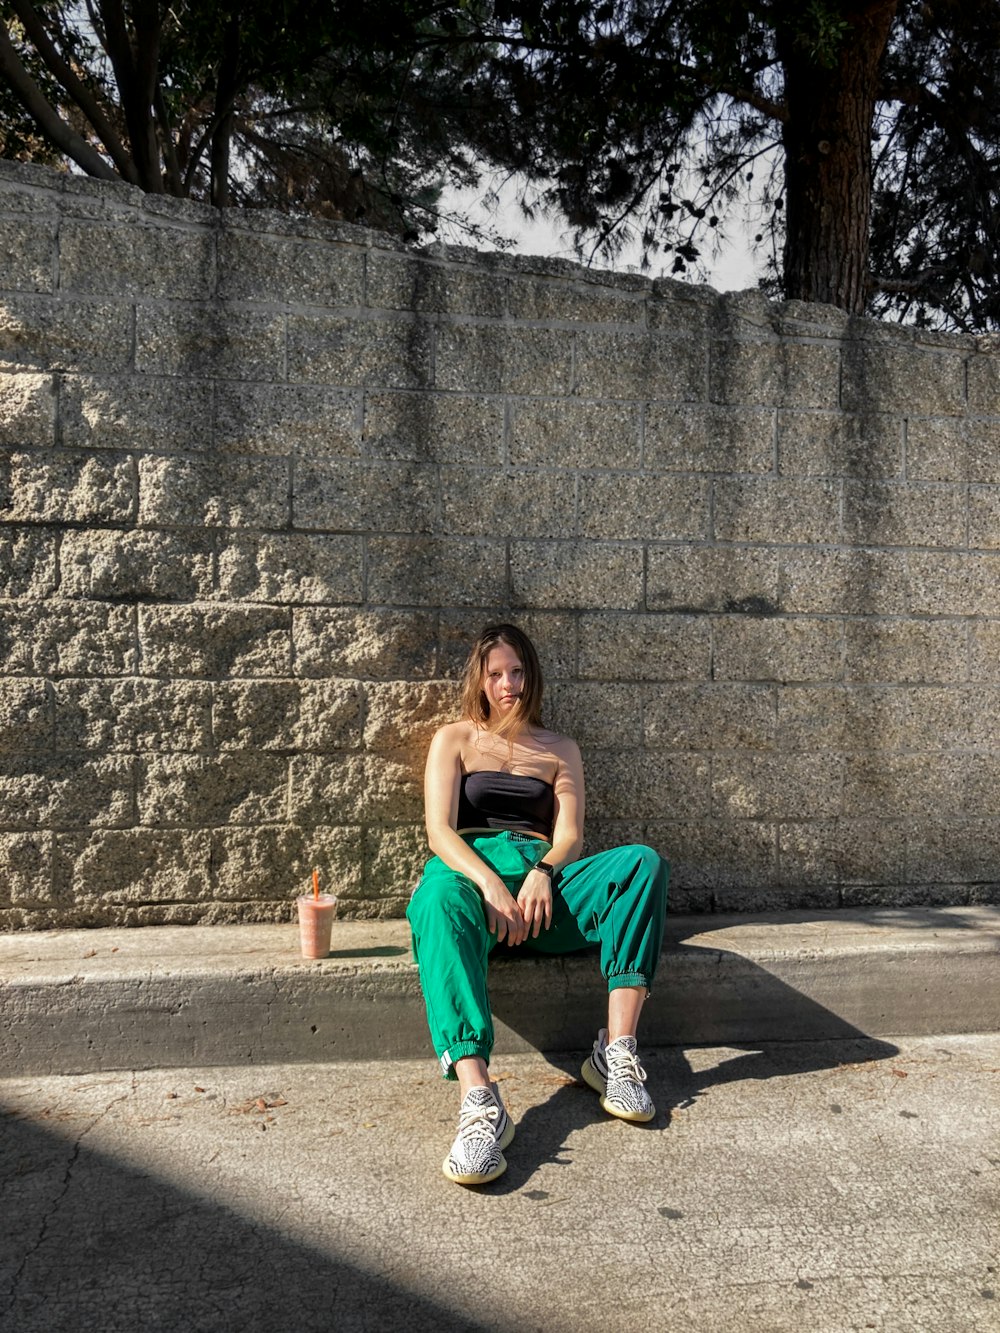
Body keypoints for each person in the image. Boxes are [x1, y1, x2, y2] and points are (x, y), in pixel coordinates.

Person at [406, 622, 670, 1186]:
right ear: (479, 680)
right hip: (472, 882)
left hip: (542, 888)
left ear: (533, 675)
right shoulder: (454, 738)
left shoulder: (559, 749)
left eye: (518, 671)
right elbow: (439, 832)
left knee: (642, 865)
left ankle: (615, 1055)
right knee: (434, 896)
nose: (509, 685)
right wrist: (489, 884)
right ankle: (481, 1104)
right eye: (496, 674)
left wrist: (543, 871)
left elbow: (570, 832)